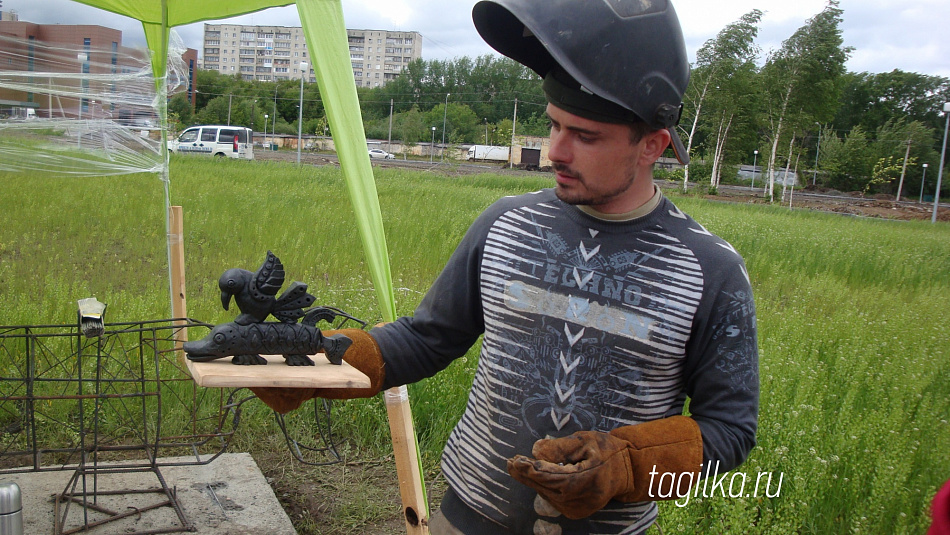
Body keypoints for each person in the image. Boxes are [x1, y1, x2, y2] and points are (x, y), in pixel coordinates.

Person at [255, 1, 759, 533]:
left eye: (585, 136)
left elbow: (729, 430)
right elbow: (428, 338)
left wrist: (630, 465)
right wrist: (321, 361)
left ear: (652, 145)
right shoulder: (504, 225)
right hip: (466, 516)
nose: (555, 151)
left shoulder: (708, 270)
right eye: (554, 125)